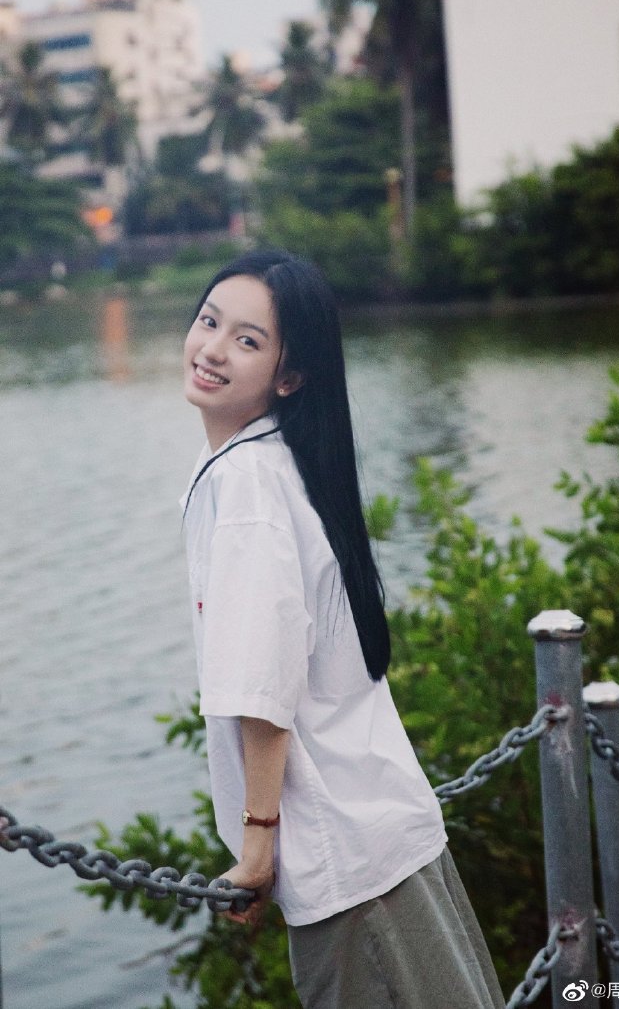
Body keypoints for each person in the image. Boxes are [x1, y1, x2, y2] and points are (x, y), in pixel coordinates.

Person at [181, 248, 505, 1009]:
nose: (213, 349)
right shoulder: (275, 460)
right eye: (209, 322)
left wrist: (257, 847)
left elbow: (263, 687)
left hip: (349, 864)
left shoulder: (247, 482)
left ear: (290, 377)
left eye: (247, 340)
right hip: (380, 835)